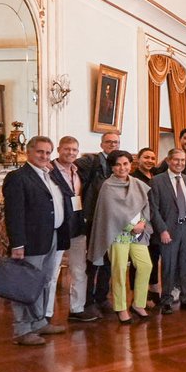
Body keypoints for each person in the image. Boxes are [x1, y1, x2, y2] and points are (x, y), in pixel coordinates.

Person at [2, 136, 73, 345]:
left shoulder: (49, 175)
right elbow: (14, 213)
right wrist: (17, 244)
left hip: (52, 236)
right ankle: (22, 330)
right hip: (30, 240)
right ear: (29, 152)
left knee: (43, 282)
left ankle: (39, 321)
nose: (44, 156)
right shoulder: (18, 177)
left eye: (48, 152)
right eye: (40, 152)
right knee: (25, 284)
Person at [89, 149, 154, 323]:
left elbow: (145, 207)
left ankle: (138, 304)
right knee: (119, 270)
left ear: (130, 164)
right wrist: (131, 226)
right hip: (117, 234)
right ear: (112, 167)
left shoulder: (137, 183)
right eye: (117, 165)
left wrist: (142, 223)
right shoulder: (107, 186)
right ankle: (121, 307)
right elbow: (110, 214)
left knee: (145, 265)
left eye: (125, 163)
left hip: (139, 232)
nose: (122, 168)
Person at [50, 136, 98, 323]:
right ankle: (46, 314)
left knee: (79, 269)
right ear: (59, 149)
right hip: (58, 227)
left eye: (74, 150)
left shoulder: (79, 172)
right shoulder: (50, 171)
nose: (70, 153)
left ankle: (77, 309)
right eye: (66, 149)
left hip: (78, 226)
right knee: (52, 272)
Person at [149, 148, 186, 314]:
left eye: (183, 160)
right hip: (168, 229)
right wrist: (162, 230)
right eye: (176, 160)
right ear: (169, 161)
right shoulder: (157, 180)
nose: (180, 163)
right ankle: (166, 300)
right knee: (168, 266)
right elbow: (153, 209)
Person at [75, 131, 120, 314]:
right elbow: (74, 166)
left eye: (116, 142)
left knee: (108, 261)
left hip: (112, 219)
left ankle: (102, 297)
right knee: (93, 260)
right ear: (102, 145)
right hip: (94, 218)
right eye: (109, 142)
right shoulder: (91, 161)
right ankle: (88, 301)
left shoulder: (119, 163)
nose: (112, 145)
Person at [130, 147, 163, 307]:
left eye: (152, 158)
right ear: (139, 159)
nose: (149, 160)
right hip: (140, 224)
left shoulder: (156, 176)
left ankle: (154, 290)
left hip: (154, 223)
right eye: (146, 157)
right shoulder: (132, 178)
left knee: (154, 258)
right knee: (139, 263)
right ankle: (136, 297)